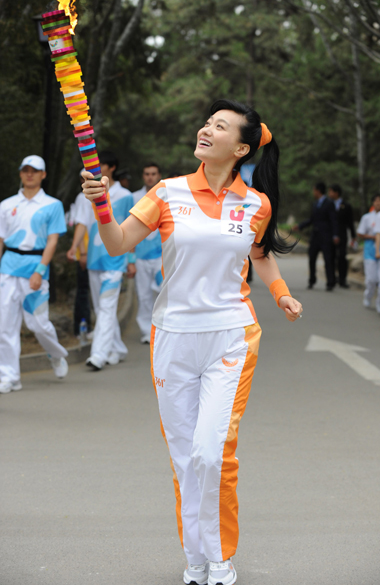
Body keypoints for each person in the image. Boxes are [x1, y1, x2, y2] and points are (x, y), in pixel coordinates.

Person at [81, 99, 303, 585]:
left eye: (219, 126)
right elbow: (118, 243)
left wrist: (281, 294)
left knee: (212, 452)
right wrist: (100, 203)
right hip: (174, 339)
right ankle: (197, 560)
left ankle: (221, 559)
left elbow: (259, 254)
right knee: (185, 458)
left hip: (230, 336)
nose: (206, 129)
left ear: (241, 148)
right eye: (207, 122)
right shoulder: (167, 193)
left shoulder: (256, 203)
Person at [0, 155, 68, 393]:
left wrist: (41, 270)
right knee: (5, 325)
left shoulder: (52, 205)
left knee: (38, 323)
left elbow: (52, 241)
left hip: (35, 267)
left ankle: (55, 353)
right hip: (8, 267)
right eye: (26, 170)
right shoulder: (6, 205)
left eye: (35, 170)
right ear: (20, 173)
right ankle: (9, 376)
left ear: (43, 174)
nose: (30, 174)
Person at [67, 151, 136, 370]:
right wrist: (76, 248)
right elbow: (82, 224)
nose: (95, 168)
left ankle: (98, 354)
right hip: (95, 259)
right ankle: (116, 348)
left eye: (100, 165)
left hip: (115, 258)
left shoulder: (125, 195)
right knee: (101, 307)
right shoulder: (86, 193)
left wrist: (131, 259)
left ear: (111, 168)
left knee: (106, 306)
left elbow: (132, 227)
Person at [132, 163, 163, 343]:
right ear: (143, 176)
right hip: (140, 256)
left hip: (162, 255)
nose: (150, 177)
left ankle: (161, 328)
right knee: (143, 294)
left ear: (158, 175)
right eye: (147, 174)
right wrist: (130, 258)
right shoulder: (134, 197)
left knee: (162, 292)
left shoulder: (166, 195)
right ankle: (146, 331)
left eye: (153, 174)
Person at [295, 182, 339, 291]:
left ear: (318, 191)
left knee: (328, 259)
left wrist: (335, 235)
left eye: (314, 190)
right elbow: (312, 219)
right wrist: (300, 226)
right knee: (312, 258)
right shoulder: (315, 204)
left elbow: (334, 220)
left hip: (326, 236)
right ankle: (312, 280)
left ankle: (330, 282)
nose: (313, 192)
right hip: (315, 236)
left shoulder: (329, 203)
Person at [67, 170, 92, 337]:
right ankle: (81, 327)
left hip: (95, 254)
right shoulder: (82, 197)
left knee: (88, 291)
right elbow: (80, 224)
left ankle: (86, 325)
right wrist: (81, 252)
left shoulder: (94, 196)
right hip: (86, 253)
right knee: (83, 291)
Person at [357, 193, 380, 308]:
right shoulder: (367, 217)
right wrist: (374, 237)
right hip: (370, 251)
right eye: (376, 201)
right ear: (373, 203)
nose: (378, 203)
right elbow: (360, 233)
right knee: (371, 279)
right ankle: (368, 297)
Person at [328, 184, 356, 288]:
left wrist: (353, 236)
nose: (329, 194)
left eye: (331, 191)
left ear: (336, 193)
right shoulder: (328, 204)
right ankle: (332, 278)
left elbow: (350, 222)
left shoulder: (346, 206)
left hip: (342, 235)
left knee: (342, 257)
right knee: (331, 257)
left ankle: (342, 279)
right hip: (330, 235)